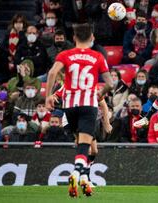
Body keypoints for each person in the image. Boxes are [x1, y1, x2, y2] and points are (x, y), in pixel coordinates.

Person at [45, 23, 114, 197]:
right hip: (88, 105)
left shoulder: (65, 54)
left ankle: (83, 178)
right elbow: (111, 83)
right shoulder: (97, 56)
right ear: (92, 38)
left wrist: (47, 96)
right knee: (85, 145)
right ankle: (77, 174)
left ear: (74, 38)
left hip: (70, 107)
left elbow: (52, 73)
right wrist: (101, 92)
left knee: (83, 146)